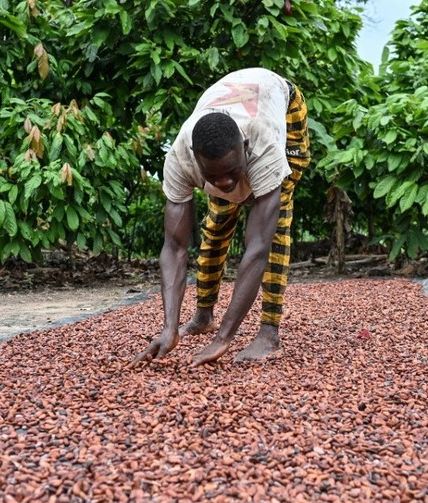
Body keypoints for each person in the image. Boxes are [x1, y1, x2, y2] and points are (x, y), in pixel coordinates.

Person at [133, 67, 311, 367]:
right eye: (214, 176)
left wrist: (225, 339)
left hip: (285, 101)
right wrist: (169, 328)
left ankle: (269, 333)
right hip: (233, 109)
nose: (226, 183)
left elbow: (257, 249)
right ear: (196, 159)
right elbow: (174, 247)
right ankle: (204, 315)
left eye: (231, 173)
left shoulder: (264, 144)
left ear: (245, 149)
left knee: (275, 226)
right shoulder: (180, 157)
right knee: (216, 226)